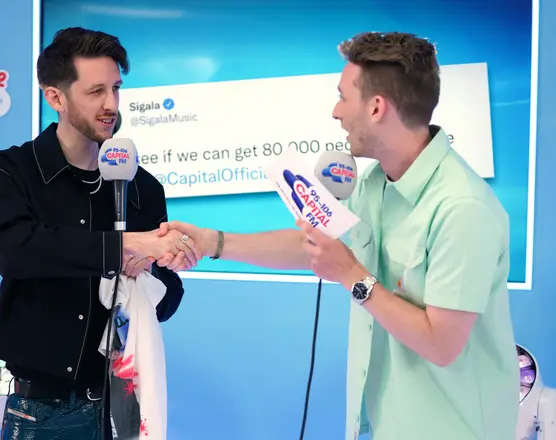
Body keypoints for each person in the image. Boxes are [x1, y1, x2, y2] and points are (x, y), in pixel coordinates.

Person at [158, 32, 519, 440]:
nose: (335, 112)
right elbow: (319, 247)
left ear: (377, 107)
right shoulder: (377, 182)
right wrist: (213, 242)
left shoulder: (462, 208)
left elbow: (441, 343)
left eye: (343, 96)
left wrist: (351, 275)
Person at [0, 27, 199, 440]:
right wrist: (122, 246)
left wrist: (154, 269)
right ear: (55, 97)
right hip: (40, 412)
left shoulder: (141, 187)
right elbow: (14, 250)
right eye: (96, 91)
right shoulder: (13, 170)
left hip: (123, 405)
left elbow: (168, 299)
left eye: (116, 89)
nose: (111, 105)